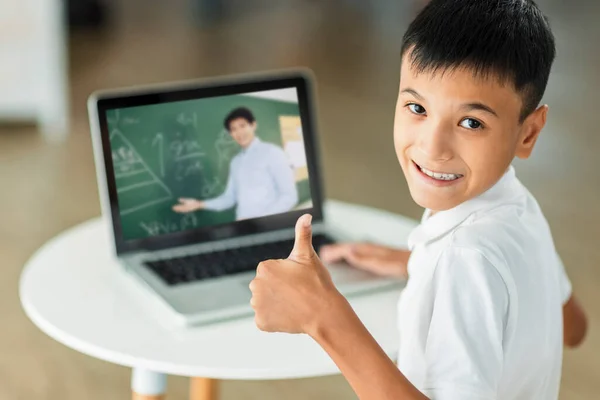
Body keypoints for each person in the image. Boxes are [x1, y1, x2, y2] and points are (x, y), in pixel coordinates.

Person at [248, 1, 588, 399]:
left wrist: (322, 315)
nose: (433, 146)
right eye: (417, 107)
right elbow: (572, 324)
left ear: (528, 133)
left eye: (471, 122)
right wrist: (419, 263)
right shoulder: (517, 207)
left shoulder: (463, 256)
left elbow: (475, 266)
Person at [172, 107, 298, 220]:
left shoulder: (272, 152)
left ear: (253, 125)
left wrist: (260, 221)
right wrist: (199, 204)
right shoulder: (236, 162)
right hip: (243, 227)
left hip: (269, 227)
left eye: (243, 126)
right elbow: (230, 198)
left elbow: (289, 196)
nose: (239, 133)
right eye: (233, 129)